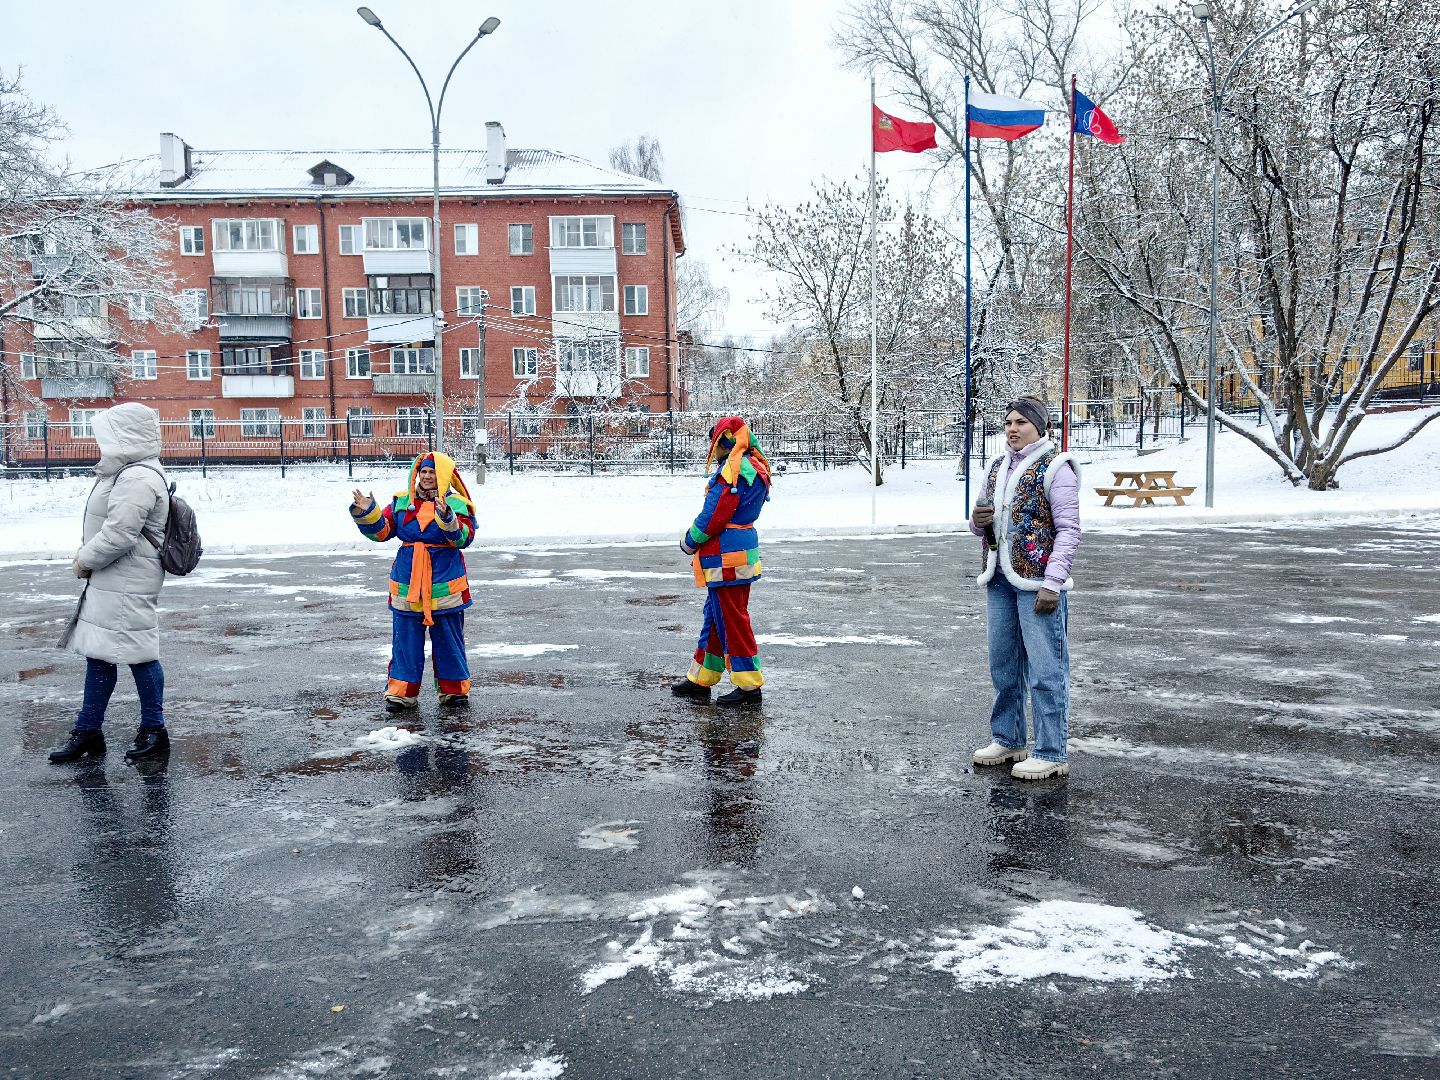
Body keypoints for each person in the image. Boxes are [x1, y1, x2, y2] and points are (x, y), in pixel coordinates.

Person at [50, 403, 172, 764]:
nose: (99, 443)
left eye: (106, 436)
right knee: (100, 652)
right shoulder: (124, 472)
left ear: (124, 437)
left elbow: (120, 535)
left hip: (129, 577)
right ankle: (89, 731)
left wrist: (84, 559)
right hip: (114, 576)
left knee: (138, 653)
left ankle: (155, 730)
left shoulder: (137, 477)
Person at [968, 396, 1081, 780]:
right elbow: (981, 525)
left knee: (1047, 671)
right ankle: (1009, 738)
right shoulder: (997, 467)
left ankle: (1051, 751)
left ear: (1039, 426)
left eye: (1021, 422)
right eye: (1007, 423)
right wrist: (977, 520)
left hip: (1038, 584)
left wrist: (1053, 583)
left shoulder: (1056, 466)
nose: (1012, 429)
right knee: (1004, 665)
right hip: (999, 579)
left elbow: (1069, 530)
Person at [350, 452, 478, 712]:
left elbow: (464, 538)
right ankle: (401, 694)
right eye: (423, 472)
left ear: (441, 476)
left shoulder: (458, 504)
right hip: (407, 585)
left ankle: (454, 692)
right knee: (405, 642)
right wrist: (368, 513)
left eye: (432, 472)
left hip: (445, 586)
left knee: (449, 641)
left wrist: (447, 518)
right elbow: (383, 531)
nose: (427, 476)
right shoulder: (401, 501)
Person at [671, 416, 772, 709]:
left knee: (732, 621)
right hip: (737, 556)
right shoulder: (756, 467)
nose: (712, 450)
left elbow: (714, 515)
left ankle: (749, 688)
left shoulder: (734, 469)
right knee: (716, 619)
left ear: (724, 441)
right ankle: (701, 679)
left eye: (714, 443)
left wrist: (689, 540)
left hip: (725, 559)